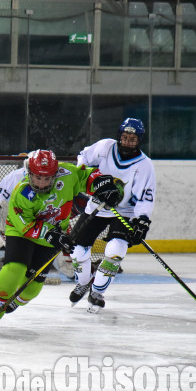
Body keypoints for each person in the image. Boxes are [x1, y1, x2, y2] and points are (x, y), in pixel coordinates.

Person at [0, 149, 122, 336]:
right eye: (37, 177)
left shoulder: (67, 175)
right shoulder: (22, 192)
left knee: (32, 288)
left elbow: (87, 175)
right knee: (15, 269)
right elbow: (25, 226)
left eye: (47, 178)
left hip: (54, 233)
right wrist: (51, 234)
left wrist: (103, 184)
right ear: (29, 174)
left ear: (56, 174)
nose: (42, 183)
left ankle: (14, 302)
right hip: (22, 233)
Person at [69, 118, 156, 313]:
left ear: (139, 140)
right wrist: (95, 181)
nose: (127, 142)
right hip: (97, 206)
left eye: (132, 139)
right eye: (124, 137)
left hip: (124, 212)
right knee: (76, 249)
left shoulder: (145, 165)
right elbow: (83, 161)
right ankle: (83, 282)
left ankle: (97, 291)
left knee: (116, 248)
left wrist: (142, 221)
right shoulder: (105, 147)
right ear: (119, 136)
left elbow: (145, 197)